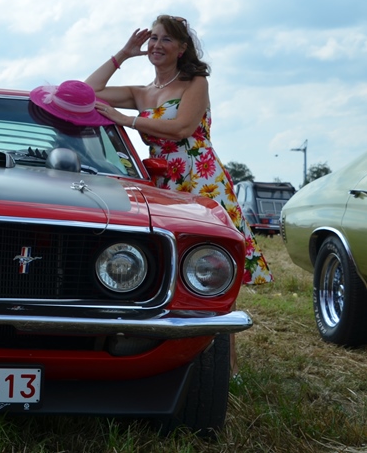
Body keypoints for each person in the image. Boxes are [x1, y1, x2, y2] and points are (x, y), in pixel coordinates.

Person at [85, 15, 272, 286]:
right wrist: (124, 54)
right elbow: (87, 91)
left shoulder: (195, 82)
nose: (157, 45)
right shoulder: (141, 93)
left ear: (182, 48)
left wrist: (127, 120)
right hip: (162, 178)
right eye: (153, 38)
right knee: (172, 254)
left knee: (212, 255)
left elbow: (182, 128)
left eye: (166, 39)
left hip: (199, 175)